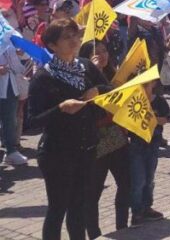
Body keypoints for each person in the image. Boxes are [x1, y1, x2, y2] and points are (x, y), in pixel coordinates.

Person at [27, 18, 108, 240]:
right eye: (67, 37)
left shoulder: (86, 66)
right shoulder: (43, 77)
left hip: (87, 148)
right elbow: (32, 121)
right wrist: (61, 109)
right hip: (57, 153)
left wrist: (97, 91)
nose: (74, 40)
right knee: (58, 208)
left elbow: (107, 89)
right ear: (52, 45)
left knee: (78, 207)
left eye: (75, 35)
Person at [79, 40, 132, 236]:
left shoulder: (114, 76)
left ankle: (122, 226)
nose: (102, 55)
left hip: (117, 138)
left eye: (104, 50)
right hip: (96, 142)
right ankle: (94, 232)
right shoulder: (82, 78)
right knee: (93, 191)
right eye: (96, 52)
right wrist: (91, 71)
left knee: (126, 183)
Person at [126, 80, 170, 226]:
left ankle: (147, 207)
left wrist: (155, 119)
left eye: (147, 84)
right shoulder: (133, 101)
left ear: (153, 84)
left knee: (149, 178)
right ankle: (137, 211)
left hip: (153, 143)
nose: (144, 88)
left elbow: (166, 119)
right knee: (138, 180)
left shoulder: (159, 101)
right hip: (136, 144)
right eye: (141, 85)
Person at [0, 20, 29, 166]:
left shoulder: (6, 31)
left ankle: (11, 151)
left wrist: (19, 51)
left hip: (9, 83)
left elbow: (21, 54)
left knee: (10, 119)